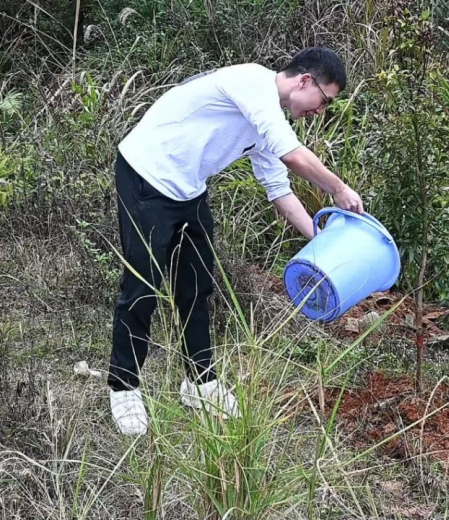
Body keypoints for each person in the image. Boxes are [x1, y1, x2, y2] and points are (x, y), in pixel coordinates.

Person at [108, 47, 363, 436]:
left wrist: (325, 244)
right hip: (146, 174)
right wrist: (338, 188)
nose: (320, 111)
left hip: (188, 188)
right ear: (304, 81)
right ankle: (124, 387)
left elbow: (280, 191)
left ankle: (200, 383)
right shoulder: (252, 82)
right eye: (324, 100)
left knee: (197, 287)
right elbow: (292, 156)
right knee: (142, 287)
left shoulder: (268, 120)